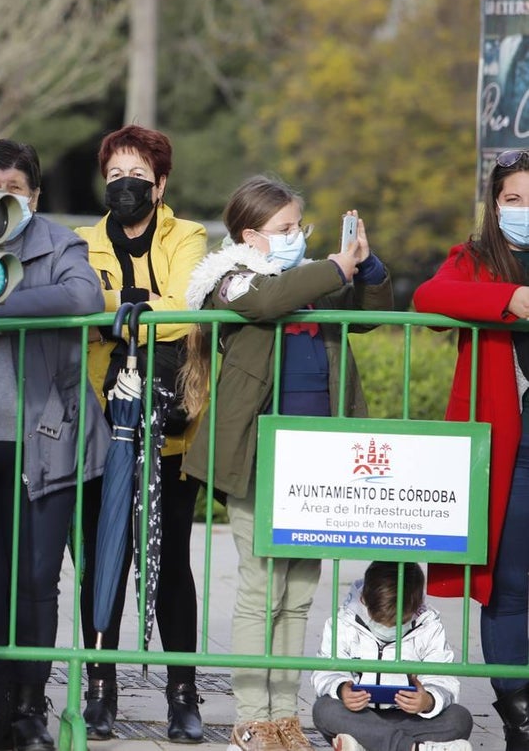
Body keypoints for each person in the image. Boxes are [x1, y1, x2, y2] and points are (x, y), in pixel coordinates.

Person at [179, 175, 394, 751]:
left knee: (299, 590)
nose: (298, 235)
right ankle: (251, 715)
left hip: (319, 458)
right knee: (261, 589)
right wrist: (333, 266)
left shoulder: (313, 282)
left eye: (300, 224)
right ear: (251, 234)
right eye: (286, 228)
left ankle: (284, 716)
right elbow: (267, 300)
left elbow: (372, 313)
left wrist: (366, 268)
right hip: (257, 457)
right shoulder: (228, 278)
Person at [0, 139, 109, 751]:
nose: (4, 196)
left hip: (40, 444)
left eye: (15, 188)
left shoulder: (57, 243)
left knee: (35, 582)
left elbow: (83, 297)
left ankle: (29, 712)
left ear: (35, 196)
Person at [73, 124, 208, 741]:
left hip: (170, 425)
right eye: (114, 175)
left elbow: (184, 312)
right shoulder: (80, 241)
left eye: (136, 176)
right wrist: (136, 307)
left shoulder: (190, 236)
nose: (124, 185)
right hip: (102, 424)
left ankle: (184, 694)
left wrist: (121, 313)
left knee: (172, 560)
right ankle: (99, 687)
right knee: (104, 557)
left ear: (160, 185)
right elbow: (77, 305)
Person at [411, 148, 529, 750]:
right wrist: (506, 300)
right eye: (513, 198)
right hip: (509, 446)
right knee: (508, 585)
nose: (524, 209)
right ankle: (519, 718)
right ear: (494, 204)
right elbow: (428, 300)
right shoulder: (477, 259)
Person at [311, 561, 473, 751]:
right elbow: (325, 672)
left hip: (408, 719)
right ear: (364, 599)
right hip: (359, 716)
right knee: (325, 709)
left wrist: (428, 700)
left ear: (416, 606)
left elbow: (444, 678)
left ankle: (369, 744)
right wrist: (342, 690)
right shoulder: (342, 622)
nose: (388, 629)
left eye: (399, 622)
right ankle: (413, 748)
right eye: (379, 621)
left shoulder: (429, 626)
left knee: (459, 718)